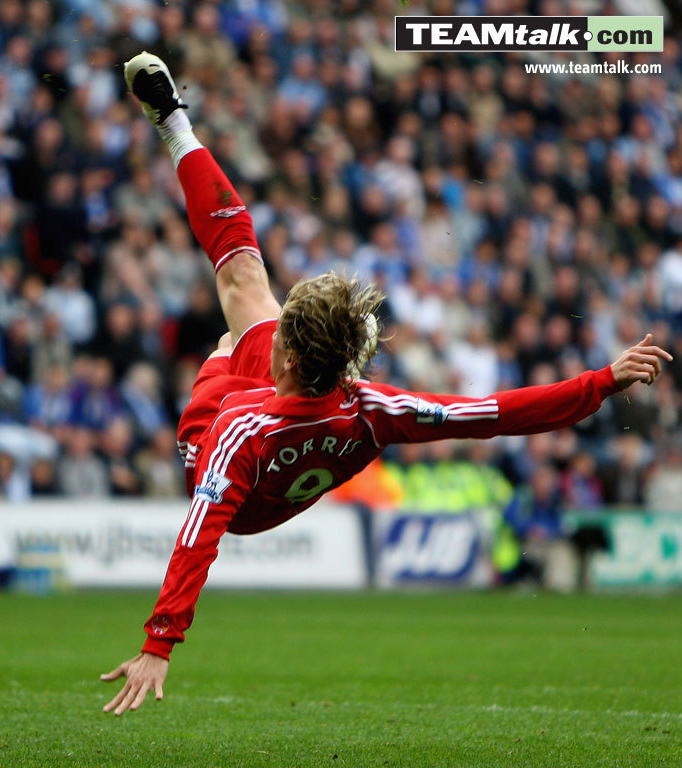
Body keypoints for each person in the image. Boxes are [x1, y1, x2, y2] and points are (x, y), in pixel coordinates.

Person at [100, 52, 674, 715]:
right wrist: (601, 381)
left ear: (285, 356)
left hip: (222, 455)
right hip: (297, 415)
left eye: (283, 331)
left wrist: (159, 643)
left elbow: (201, 533)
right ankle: (174, 124)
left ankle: (178, 144)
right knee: (243, 273)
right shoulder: (374, 406)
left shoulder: (236, 428)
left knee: (227, 339)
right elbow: (495, 412)